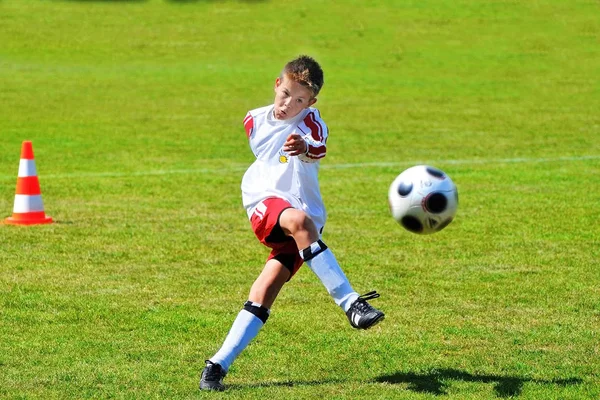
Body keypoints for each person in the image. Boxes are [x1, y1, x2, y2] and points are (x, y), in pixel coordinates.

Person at [200, 55, 384, 391]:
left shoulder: (312, 122)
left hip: (308, 223)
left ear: (311, 102)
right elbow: (269, 155)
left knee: (265, 290)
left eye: (299, 100)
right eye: (285, 94)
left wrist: (303, 147)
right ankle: (351, 303)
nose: (289, 104)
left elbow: (318, 147)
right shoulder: (253, 120)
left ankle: (216, 365)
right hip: (265, 201)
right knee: (297, 220)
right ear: (277, 84)